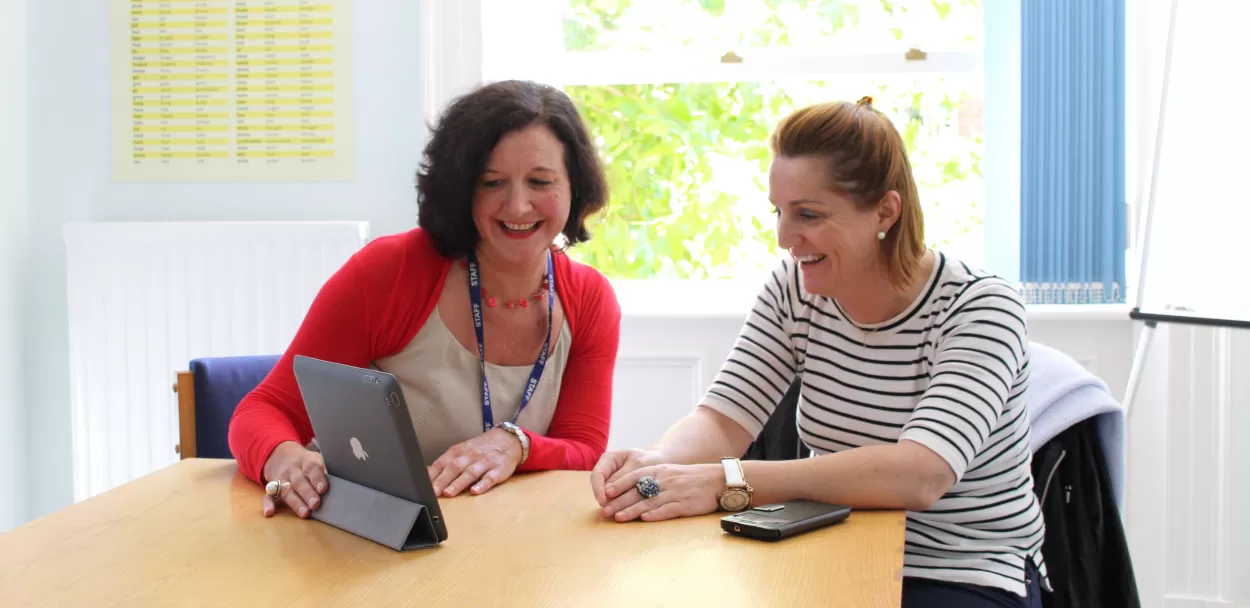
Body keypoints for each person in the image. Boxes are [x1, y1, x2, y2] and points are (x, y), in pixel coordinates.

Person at [589, 97, 1047, 608]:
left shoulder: (979, 306)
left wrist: (727, 480)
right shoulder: (794, 286)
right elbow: (724, 418)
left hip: (961, 567)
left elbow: (920, 475)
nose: (785, 238)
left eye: (808, 214)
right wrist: (659, 463)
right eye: (780, 212)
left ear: (885, 212)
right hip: (832, 546)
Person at [229, 80, 621, 520]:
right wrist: (284, 459)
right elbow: (264, 410)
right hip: (365, 536)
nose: (517, 205)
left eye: (540, 181)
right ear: (461, 189)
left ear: (574, 187)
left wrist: (516, 443)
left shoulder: (589, 300)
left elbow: (583, 448)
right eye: (492, 183)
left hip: (502, 543)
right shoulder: (390, 273)